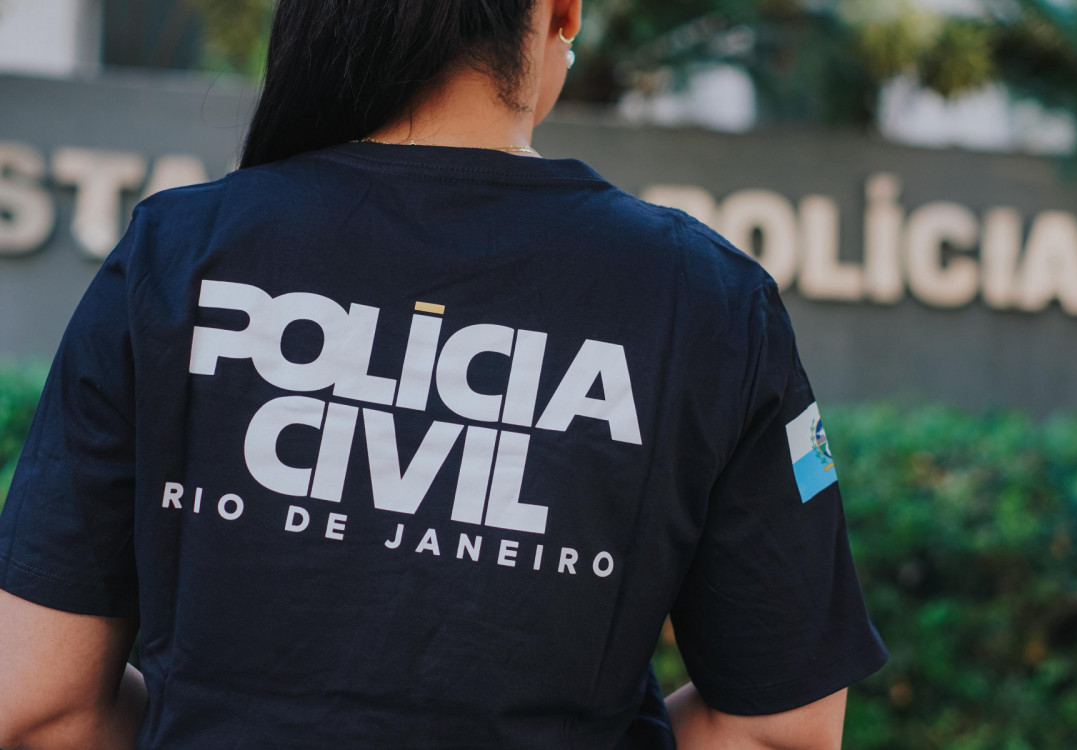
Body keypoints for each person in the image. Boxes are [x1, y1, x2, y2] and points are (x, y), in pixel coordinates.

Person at [0, 0, 887, 747]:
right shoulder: (709, 299)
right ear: (561, 14)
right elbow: (781, 730)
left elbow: (41, 706)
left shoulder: (176, 254)